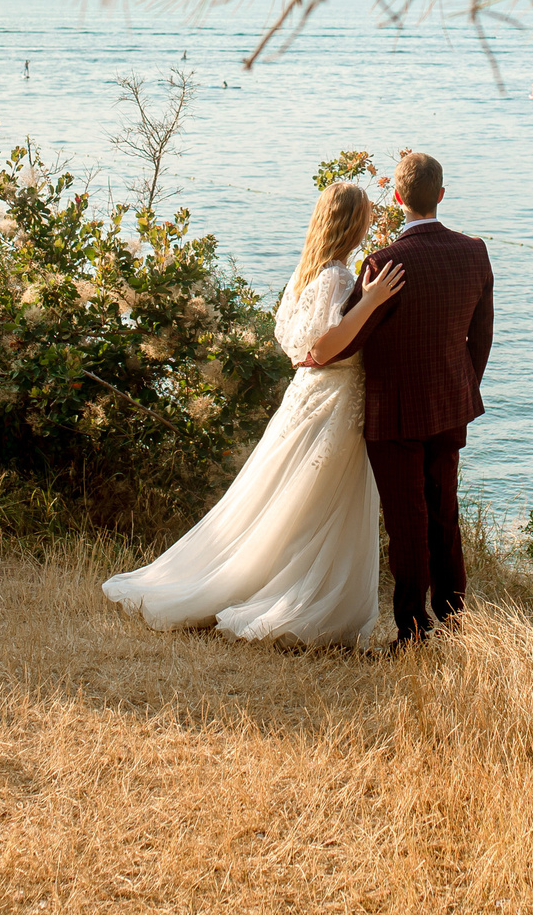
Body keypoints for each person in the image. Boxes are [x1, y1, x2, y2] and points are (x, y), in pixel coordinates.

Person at [101, 181, 407, 647]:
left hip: (308, 396)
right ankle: (292, 599)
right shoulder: (339, 279)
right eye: (366, 213)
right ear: (352, 221)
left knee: (287, 499)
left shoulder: (308, 272)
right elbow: (323, 348)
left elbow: (294, 345)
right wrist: (371, 302)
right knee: (315, 504)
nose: (370, 220)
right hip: (334, 399)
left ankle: (271, 583)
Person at [336, 152, 493, 644]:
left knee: (407, 522)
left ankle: (412, 630)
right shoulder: (475, 252)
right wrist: (464, 385)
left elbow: (346, 339)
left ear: (398, 197)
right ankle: (453, 618)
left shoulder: (384, 263)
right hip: (451, 404)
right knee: (444, 511)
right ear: (441, 195)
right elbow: (481, 336)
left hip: (395, 413)